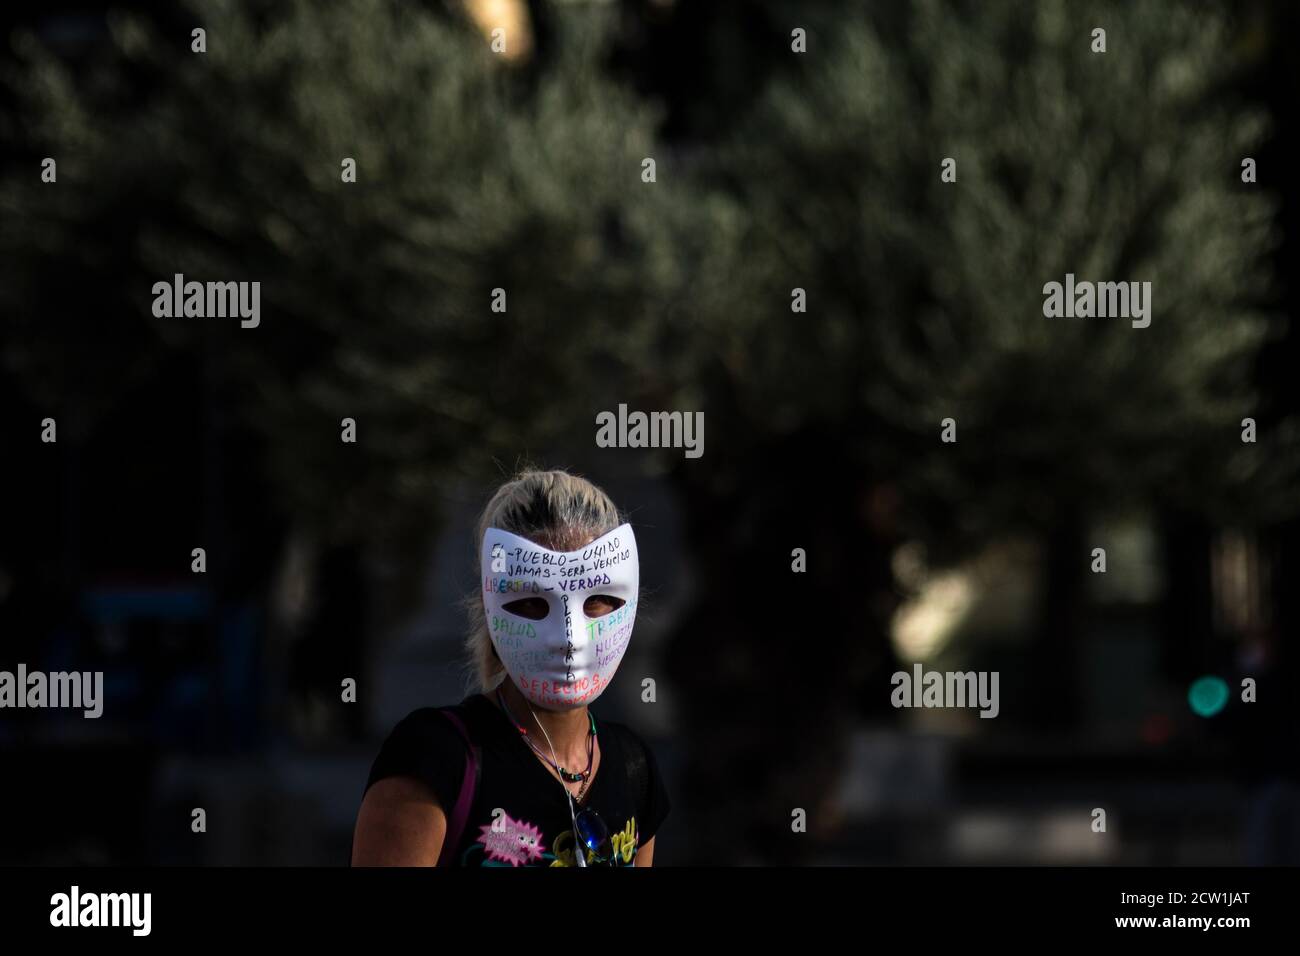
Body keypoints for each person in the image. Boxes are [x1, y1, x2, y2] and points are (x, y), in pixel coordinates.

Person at [351, 469, 670, 867]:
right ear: (490, 607)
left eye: (595, 601)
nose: (569, 638)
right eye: (533, 603)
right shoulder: (435, 759)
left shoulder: (632, 768)